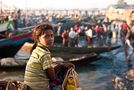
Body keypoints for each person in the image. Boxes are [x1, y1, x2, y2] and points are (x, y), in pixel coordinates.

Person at [24, 23, 74, 90]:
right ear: (38, 39)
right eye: (46, 36)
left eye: (52, 36)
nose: (50, 39)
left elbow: (47, 70)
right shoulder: (45, 54)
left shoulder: (36, 50)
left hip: (29, 87)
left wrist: (59, 65)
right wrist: (60, 66)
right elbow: (52, 77)